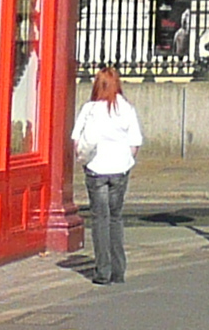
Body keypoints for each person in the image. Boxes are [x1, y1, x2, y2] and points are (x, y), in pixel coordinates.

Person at [71, 68, 143, 284]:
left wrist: (83, 160)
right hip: (119, 169)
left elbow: (77, 141)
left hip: (96, 169)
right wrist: (126, 162)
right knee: (115, 218)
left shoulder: (89, 109)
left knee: (100, 219)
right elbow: (135, 143)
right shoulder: (126, 109)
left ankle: (103, 271)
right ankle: (118, 270)